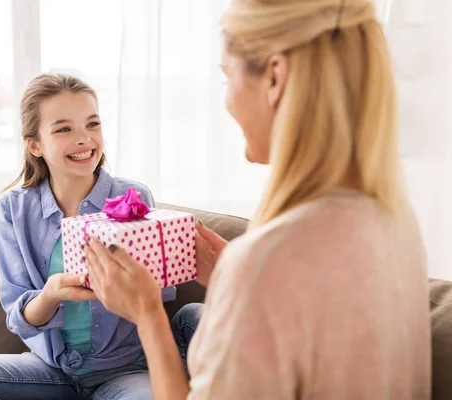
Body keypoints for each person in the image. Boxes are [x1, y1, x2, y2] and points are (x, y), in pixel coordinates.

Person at [83, 0, 431, 399]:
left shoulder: (269, 260)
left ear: (275, 78)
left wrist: (148, 317)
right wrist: (232, 278)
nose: (227, 99)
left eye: (227, 76)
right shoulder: (394, 222)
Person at [0, 73, 183, 400]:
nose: (84, 139)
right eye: (64, 129)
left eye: (92, 124)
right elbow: (20, 318)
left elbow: (159, 295)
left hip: (126, 371)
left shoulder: (133, 196)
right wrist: (51, 294)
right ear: (35, 145)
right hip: (49, 370)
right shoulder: (13, 210)